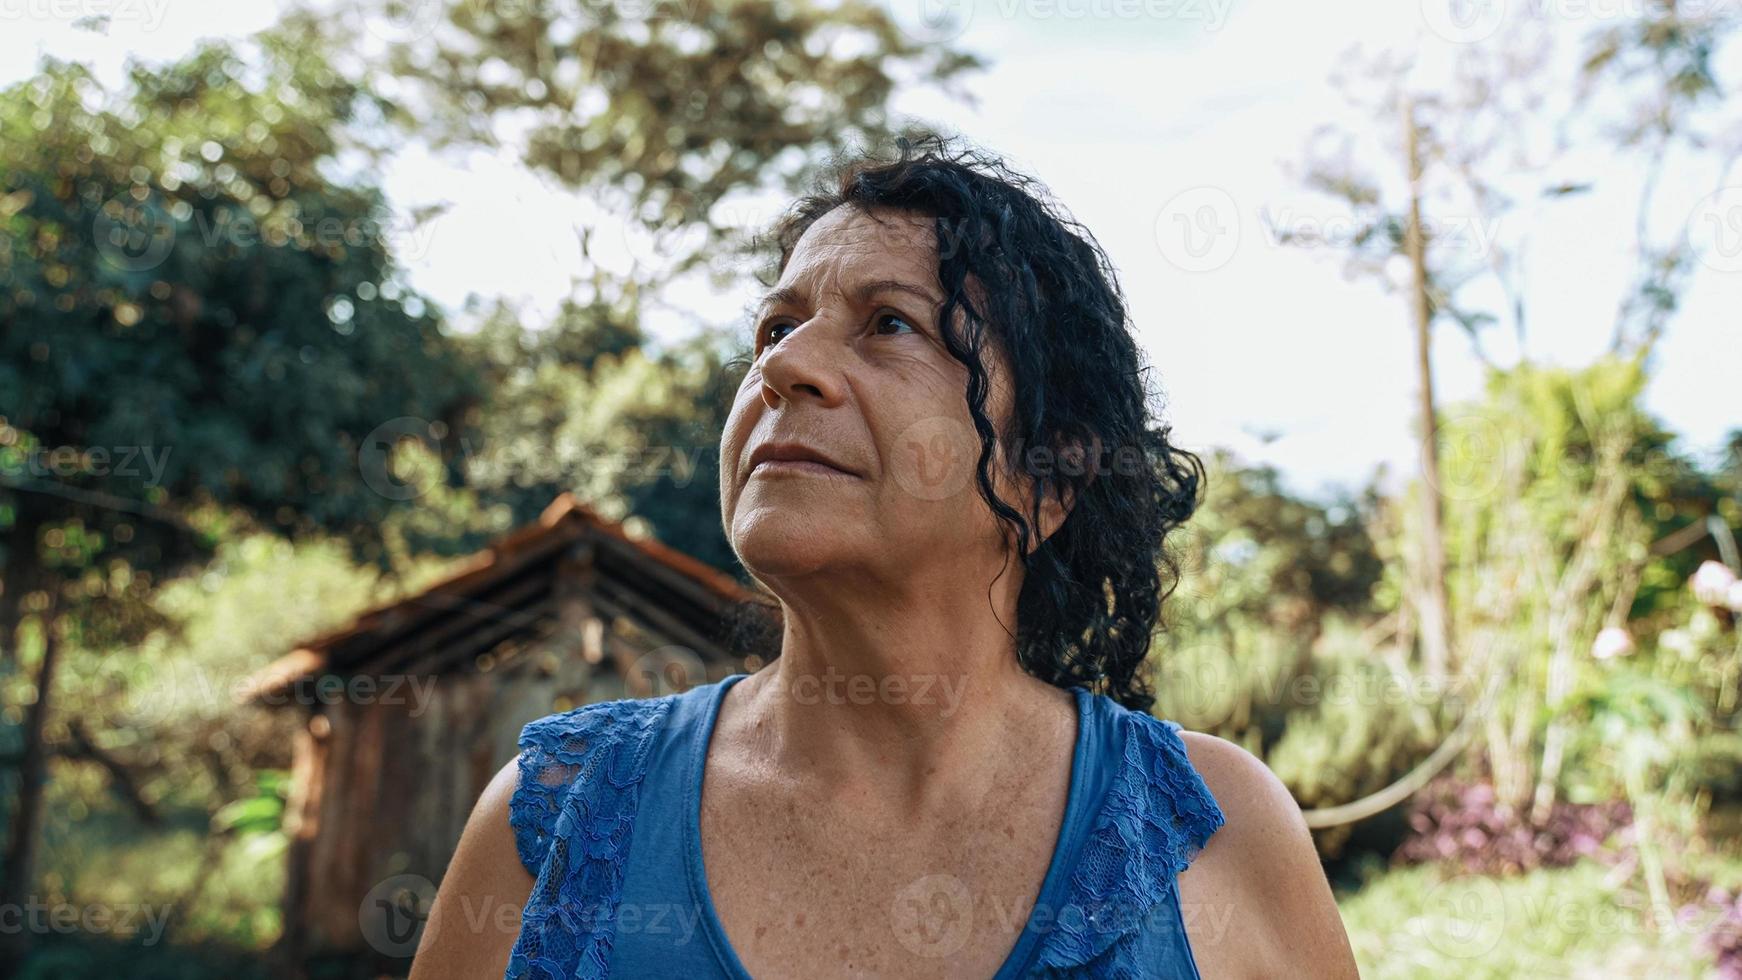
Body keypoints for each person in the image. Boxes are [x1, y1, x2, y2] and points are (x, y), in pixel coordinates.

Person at [409, 133, 1359, 979]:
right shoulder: (554, 828)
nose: (782, 366)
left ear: (1048, 479)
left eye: (890, 323)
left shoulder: (1218, 832)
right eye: (776, 329)